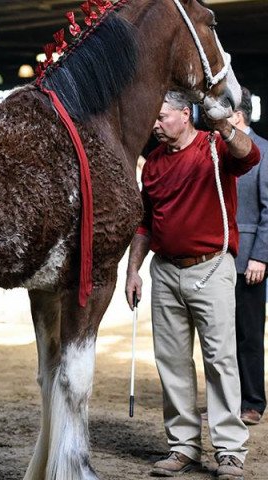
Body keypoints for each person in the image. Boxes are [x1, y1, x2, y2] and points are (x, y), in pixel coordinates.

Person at [125, 91, 260, 480]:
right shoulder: (151, 163)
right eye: (153, 116)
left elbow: (250, 155)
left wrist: (223, 124)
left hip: (212, 267)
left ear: (186, 115)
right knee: (171, 363)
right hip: (164, 271)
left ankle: (230, 451)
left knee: (220, 360)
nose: (155, 123)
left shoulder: (215, 148)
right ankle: (183, 447)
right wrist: (133, 271)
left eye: (163, 116)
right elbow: (144, 223)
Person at [229, 87, 268, 426]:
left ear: (237, 117)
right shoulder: (218, 150)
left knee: (249, 334)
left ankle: (253, 401)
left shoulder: (265, 152)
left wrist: (261, 257)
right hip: (216, 260)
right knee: (220, 337)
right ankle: (227, 401)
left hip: (249, 261)